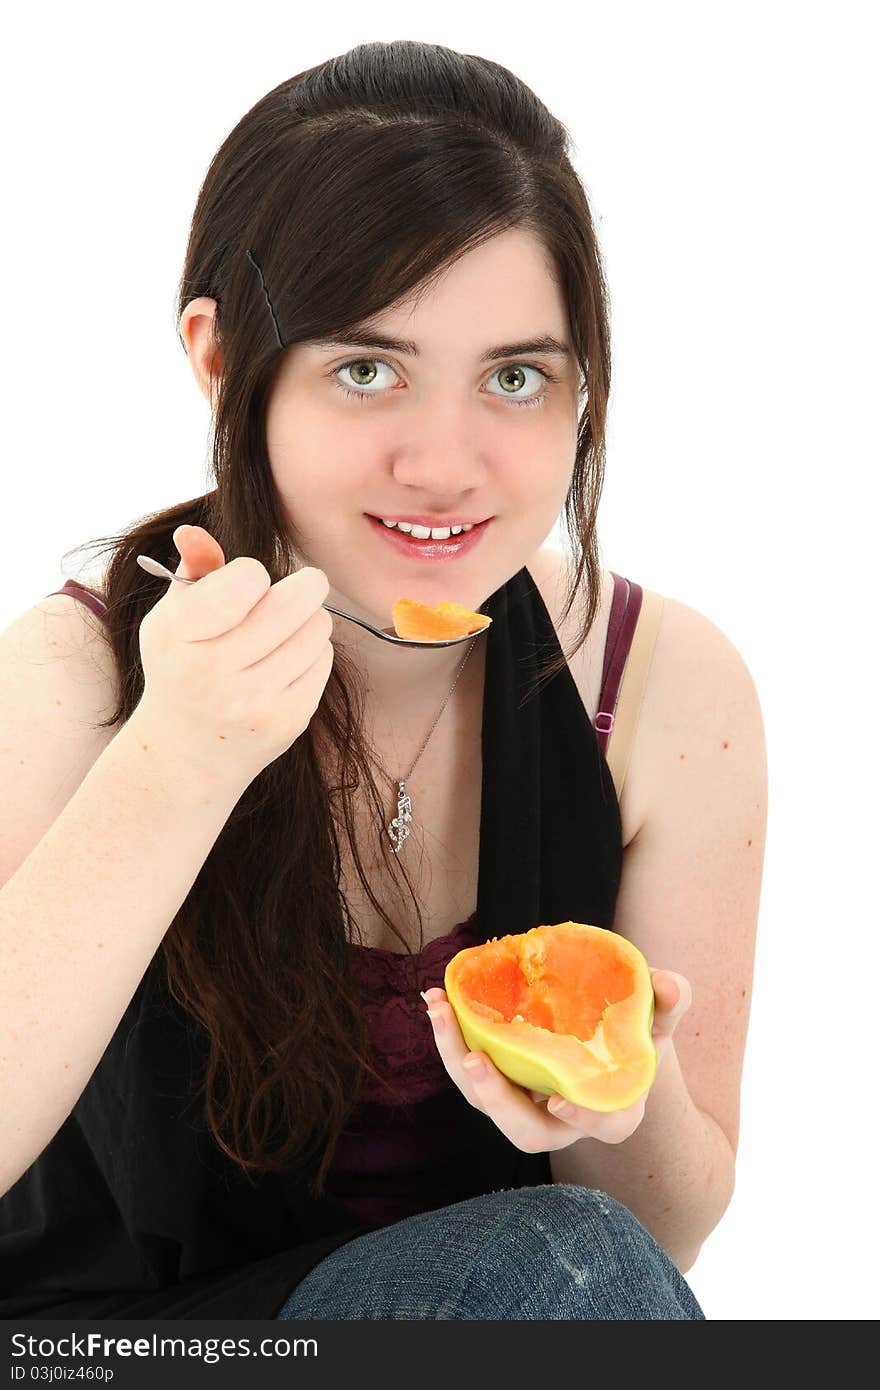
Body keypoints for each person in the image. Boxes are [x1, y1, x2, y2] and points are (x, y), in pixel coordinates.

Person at [0, 40, 766, 1321]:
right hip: (106, 1340)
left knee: (565, 1258)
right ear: (222, 361)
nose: (446, 465)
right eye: (368, 370)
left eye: (515, 378)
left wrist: (628, 1101)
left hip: (521, 1310)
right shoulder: (75, 676)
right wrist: (174, 765)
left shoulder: (662, 688)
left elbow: (655, 1244)